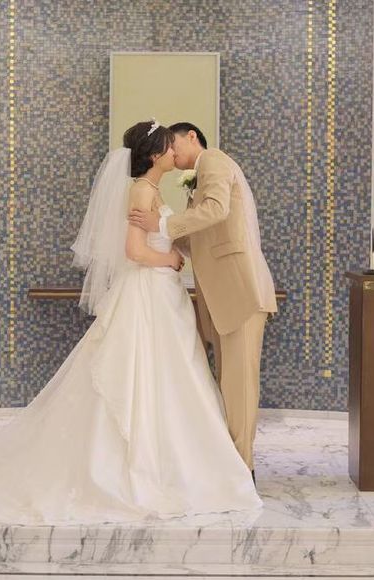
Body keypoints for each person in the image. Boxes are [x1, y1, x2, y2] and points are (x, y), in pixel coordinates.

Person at [0, 120, 262, 526]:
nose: (174, 153)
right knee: (142, 374)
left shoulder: (157, 189)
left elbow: (178, 230)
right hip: (149, 291)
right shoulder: (142, 190)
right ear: (155, 154)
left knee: (168, 376)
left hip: (163, 294)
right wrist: (171, 259)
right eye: (168, 147)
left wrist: (172, 248)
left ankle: (178, 460)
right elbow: (134, 251)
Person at [128, 122, 278, 484]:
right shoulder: (191, 179)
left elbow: (216, 209)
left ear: (191, 137)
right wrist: (164, 236)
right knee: (228, 383)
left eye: (174, 143)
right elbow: (198, 239)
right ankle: (230, 462)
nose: (171, 151)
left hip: (240, 291)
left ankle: (243, 469)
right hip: (222, 295)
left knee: (240, 385)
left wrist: (164, 226)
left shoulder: (213, 160)